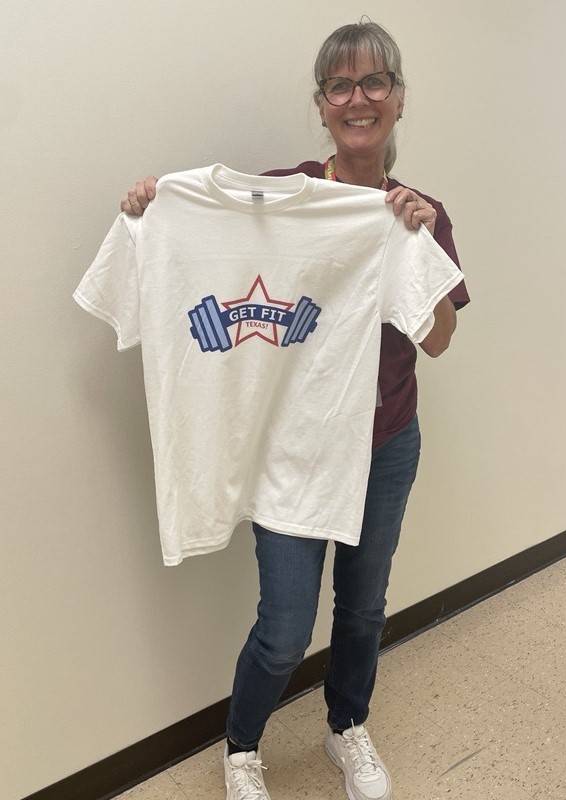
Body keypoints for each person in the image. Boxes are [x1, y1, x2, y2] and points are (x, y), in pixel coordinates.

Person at [120, 19, 469, 800]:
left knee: (363, 608)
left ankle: (348, 727)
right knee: (283, 630)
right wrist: (154, 210)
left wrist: (421, 249)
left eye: (374, 81)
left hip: (385, 443)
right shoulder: (287, 198)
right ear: (320, 104)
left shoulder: (420, 212)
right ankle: (242, 744)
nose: (358, 98)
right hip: (293, 447)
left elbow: (440, 339)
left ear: (399, 99)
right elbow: (205, 236)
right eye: (341, 84)